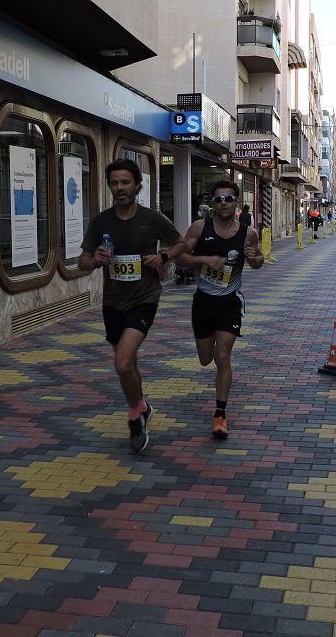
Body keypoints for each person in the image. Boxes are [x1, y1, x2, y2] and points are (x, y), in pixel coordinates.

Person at [79, 159, 189, 453]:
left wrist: (163, 258)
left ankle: (134, 418)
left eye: (125, 182)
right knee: (129, 364)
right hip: (113, 302)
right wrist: (96, 261)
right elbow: (82, 262)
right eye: (114, 183)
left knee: (122, 362)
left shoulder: (151, 218)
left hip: (144, 298)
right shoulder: (101, 222)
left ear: (137, 185)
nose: (119, 188)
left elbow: (181, 244)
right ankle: (141, 405)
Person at [178, 181, 264, 439]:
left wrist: (253, 259)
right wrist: (204, 259)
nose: (224, 203)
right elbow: (179, 256)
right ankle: (212, 358)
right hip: (203, 302)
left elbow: (258, 261)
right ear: (213, 203)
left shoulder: (249, 233)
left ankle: (220, 414)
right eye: (219, 199)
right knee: (206, 358)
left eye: (228, 198)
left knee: (223, 355)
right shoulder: (199, 228)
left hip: (229, 301)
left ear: (237, 202)